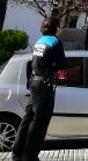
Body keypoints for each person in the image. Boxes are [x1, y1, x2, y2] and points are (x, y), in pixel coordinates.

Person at [12, 16, 66, 161]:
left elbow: (36, 62)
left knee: (28, 118)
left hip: (35, 83)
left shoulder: (39, 41)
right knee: (39, 122)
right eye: (60, 26)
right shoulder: (56, 42)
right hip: (45, 85)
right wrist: (54, 67)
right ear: (55, 28)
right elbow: (61, 64)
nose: (61, 29)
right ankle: (30, 156)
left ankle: (17, 153)